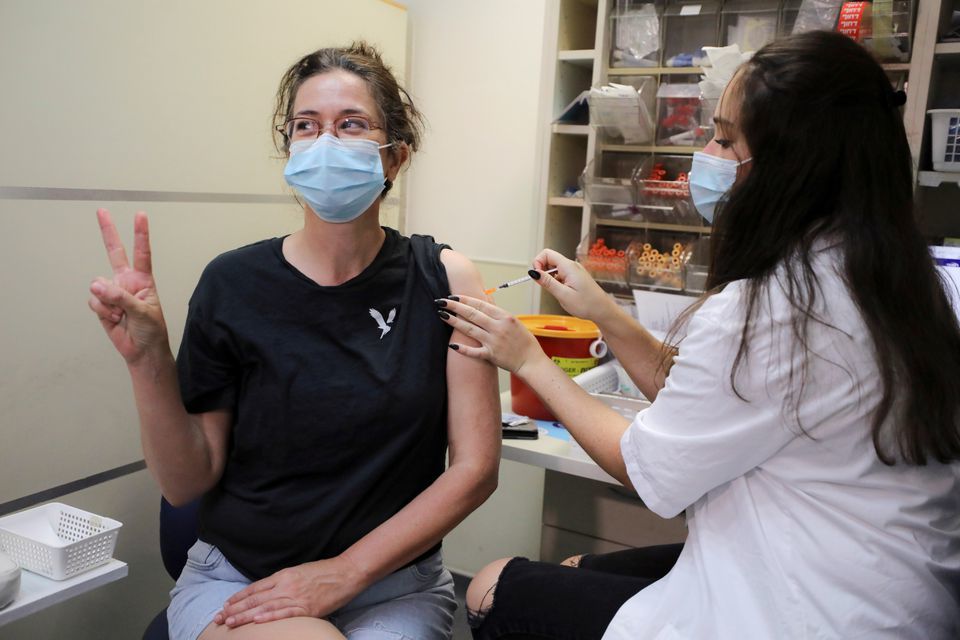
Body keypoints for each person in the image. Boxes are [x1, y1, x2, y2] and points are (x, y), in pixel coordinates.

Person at [436, 31, 960, 639]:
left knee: (490, 586)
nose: (706, 154)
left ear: (791, 165)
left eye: (725, 137)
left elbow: (650, 469)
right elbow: (717, 396)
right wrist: (602, 310)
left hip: (807, 610)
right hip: (893, 590)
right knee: (579, 567)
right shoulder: (918, 284)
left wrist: (530, 360)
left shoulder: (776, 308)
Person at [88, 42, 500, 640]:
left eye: (351, 124)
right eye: (306, 127)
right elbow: (186, 481)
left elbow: (475, 468)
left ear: (395, 157)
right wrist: (148, 360)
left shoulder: (446, 280)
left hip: (391, 584)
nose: (325, 142)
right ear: (289, 150)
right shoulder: (231, 282)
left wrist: (343, 573)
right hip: (240, 582)